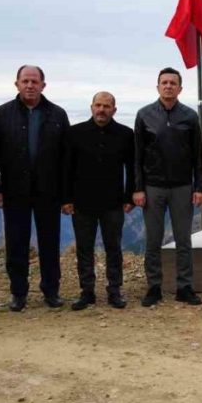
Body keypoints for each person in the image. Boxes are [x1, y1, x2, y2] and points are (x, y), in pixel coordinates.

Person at [0, 65, 70, 312]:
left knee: (49, 243)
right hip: (14, 189)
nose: (30, 85)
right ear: (17, 84)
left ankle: (51, 290)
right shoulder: (1, 114)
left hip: (49, 190)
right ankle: (18, 292)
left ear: (43, 85)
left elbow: (66, 158)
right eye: (25, 81)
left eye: (34, 81)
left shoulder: (57, 114)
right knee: (16, 243)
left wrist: (66, 195)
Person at [133, 67, 202, 307]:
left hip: (183, 187)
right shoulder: (144, 115)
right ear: (157, 87)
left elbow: (198, 156)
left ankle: (184, 287)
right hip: (153, 187)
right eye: (164, 82)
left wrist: (199, 187)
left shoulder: (190, 116)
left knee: (184, 240)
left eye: (173, 83)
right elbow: (137, 156)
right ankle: (154, 287)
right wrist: (138, 188)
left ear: (180, 88)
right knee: (153, 240)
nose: (168, 86)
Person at [62, 92, 135, 311]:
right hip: (82, 202)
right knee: (84, 248)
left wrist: (129, 196)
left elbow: (131, 169)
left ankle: (114, 290)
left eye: (106, 106)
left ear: (114, 109)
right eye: (98, 105)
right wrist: (66, 199)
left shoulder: (125, 134)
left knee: (114, 247)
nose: (101, 109)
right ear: (91, 107)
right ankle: (87, 292)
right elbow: (66, 168)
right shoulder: (75, 133)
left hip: (113, 202)